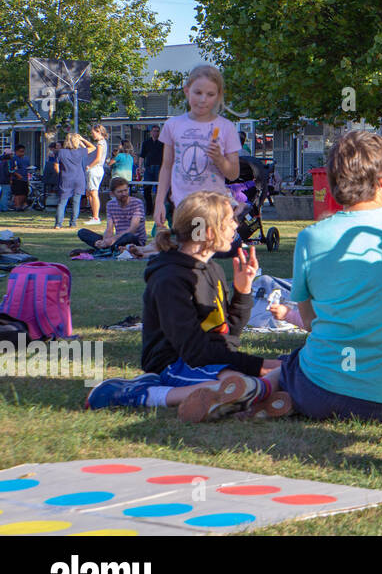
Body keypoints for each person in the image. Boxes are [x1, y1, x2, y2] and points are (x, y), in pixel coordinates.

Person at [262, 130, 382, 421]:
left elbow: (309, 321)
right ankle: (275, 391)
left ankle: (259, 389)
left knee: (294, 363)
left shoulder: (310, 237)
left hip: (320, 392)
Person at [85, 190, 290, 422]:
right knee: (239, 382)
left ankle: (251, 396)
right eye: (229, 220)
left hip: (209, 362)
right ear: (208, 232)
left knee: (249, 378)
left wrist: (243, 293)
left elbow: (227, 338)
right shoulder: (170, 279)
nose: (235, 225)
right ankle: (146, 394)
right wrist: (261, 365)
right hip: (174, 364)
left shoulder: (213, 270)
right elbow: (195, 352)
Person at [155, 66, 241, 233]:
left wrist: (219, 159)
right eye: (198, 93)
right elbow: (166, 166)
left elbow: (233, 173)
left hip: (214, 206)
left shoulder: (226, 127)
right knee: (192, 252)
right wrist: (159, 203)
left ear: (218, 96)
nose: (203, 99)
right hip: (182, 204)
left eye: (210, 95)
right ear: (187, 91)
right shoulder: (172, 125)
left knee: (199, 251)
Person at [78, 177, 148, 252]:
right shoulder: (110, 205)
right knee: (82, 232)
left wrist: (111, 240)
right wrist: (105, 241)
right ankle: (108, 248)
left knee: (129, 236)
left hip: (134, 240)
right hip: (117, 240)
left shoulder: (137, 203)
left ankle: (107, 249)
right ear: (112, 193)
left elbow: (132, 230)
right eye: (120, 192)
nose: (124, 194)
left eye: (125, 190)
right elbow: (109, 228)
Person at [54, 132, 91, 229]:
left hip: (66, 179)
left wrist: (61, 173)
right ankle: (73, 222)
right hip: (79, 179)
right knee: (76, 202)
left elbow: (56, 166)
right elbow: (92, 147)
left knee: (62, 202)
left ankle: (58, 224)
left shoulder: (61, 152)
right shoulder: (81, 151)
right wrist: (82, 139)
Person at [83, 124, 110, 225]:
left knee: (93, 193)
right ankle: (94, 214)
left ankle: (95, 217)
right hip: (98, 169)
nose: (92, 135)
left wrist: (89, 166)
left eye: (93, 133)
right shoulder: (103, 142)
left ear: (98, 132)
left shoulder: (100, 143)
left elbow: (98, 159)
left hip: (95, 169)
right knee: (89, 192)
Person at [139, 125, 164, 214]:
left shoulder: (162, 142)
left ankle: (158, 209)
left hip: (159, 168)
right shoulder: (146, 143)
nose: (155, 133)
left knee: (159, 190)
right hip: (148, 168)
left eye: (157, 131)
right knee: (146, 189)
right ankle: (149, 210)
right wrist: (140, 167)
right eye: (154, 131)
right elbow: (142, 156)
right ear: (151, 132)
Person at [9, 145, 31, 211]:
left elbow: (28, 167)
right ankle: (17, 206)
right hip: (17, 179)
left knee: (25, 192)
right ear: (16, 152)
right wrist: (17, 174)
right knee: (18, 193)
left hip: (25, 178)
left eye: (23, 151)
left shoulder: (26, 158)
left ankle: (23, 205)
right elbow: (11, 169)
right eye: (20, 151)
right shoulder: (14, 159)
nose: (22, 153)